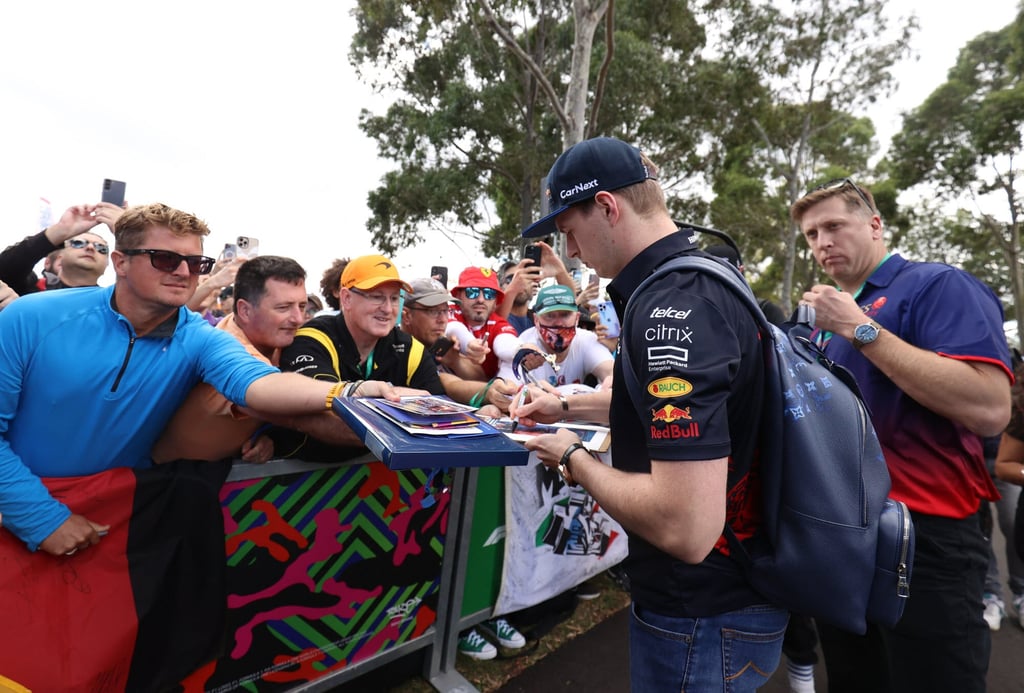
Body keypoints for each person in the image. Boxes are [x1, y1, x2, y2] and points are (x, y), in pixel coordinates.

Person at [513, 136, 785, 692]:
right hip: (727, 600)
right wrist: (562, 402)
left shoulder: (673, 310)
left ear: (608, 207)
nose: (571, 250)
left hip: (701, 612)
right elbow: (655, 402)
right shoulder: (695, 279)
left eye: (569, 229)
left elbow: (686, 527)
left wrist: (572, 455)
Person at [792, 178, 1013, 693]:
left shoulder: (936, 285)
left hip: (925, 537)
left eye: (834, 226)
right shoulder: (830, 318)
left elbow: (990, 407)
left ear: (874, 225)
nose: (822, 241)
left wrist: (861, 330)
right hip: (844, 539)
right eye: (810, 234)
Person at [271, 254, 445, 462]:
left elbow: (440, 416)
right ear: (346, 298)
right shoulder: (313, 337)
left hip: (383, 484)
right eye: (376, 296)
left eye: (394, 298)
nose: (388, 309)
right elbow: (325, 410)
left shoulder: (410, 348)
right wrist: (403, 405)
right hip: (294, 480)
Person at [152, 255, 311, 465]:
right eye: (283, 308)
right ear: (245, 310)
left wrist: (268, 437)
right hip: (165, 481)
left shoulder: (282, 339)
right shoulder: (222, 348)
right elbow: (302, 415)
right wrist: (351, 397)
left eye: (302, 306)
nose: (298, 319)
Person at [400, 277, 518, 412]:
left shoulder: (443, 343)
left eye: (445, 311)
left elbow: (480, 377)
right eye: (433, 311)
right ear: (406, 316)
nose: (443, 319)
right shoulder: (394, 346)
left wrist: (456, 361)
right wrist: (489, 392)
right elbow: (449, 383)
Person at [497, 283, 613, 389]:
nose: (558, 323)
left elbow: (611, 373)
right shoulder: (525, 346)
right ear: (536, 320)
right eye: (550, 316)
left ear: (577, 318)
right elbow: (507, 389)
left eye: (565, 315)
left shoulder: (586, 340)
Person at [0, 202, 123, 294]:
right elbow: (6, 268)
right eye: (79, 243)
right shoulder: (30, 290)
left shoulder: (113, 302)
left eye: (101, 248)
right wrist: (60, 231)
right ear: (60, 257)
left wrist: (129, 233)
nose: (91, 247)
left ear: (109, 263)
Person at [447, 266, 519, 380]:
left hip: (483, 392)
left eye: (489, 294)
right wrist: (469, 344)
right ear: (458, 295)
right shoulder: (447, 311)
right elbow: (452, 327)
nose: (481, 299)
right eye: (472, 292)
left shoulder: (498, 323)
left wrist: (522, 351)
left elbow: (506, 342)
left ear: (496, 302)